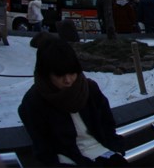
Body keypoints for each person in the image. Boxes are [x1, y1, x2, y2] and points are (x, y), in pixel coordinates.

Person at [18, 38, 127, 166]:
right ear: (46, 74)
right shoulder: (33, 102)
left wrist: (115, 149)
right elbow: (43, 147)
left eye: (72, 73)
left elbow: (107, 123)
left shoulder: (88, 88)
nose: (68, 80)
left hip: (102, 149)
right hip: (69, 159)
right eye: (60, 75)